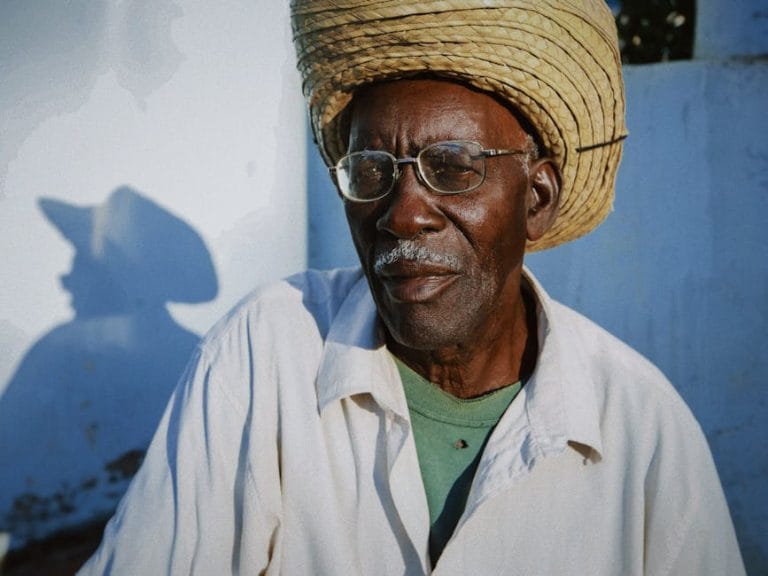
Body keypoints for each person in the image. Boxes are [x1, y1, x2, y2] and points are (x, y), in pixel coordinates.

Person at [79, 1, 745, 574]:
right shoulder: (266, 356)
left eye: (452, 167)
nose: (401, 214)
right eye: (371, 171)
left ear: (535, 198)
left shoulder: (643, 433)